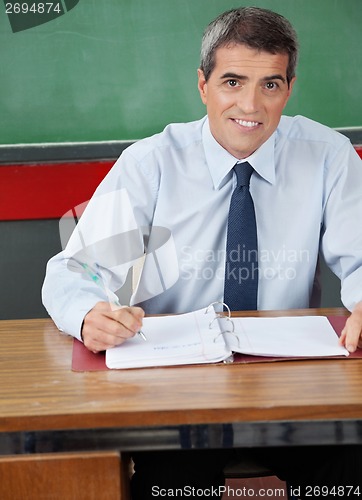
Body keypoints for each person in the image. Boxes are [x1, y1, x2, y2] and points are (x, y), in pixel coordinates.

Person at [42, 6, 362, 499]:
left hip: (290, 383)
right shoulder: (153, 162)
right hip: (176, 386)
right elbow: (75, 268)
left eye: (270, 85)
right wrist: (88, 314)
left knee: (351, 470)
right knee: (174, 486)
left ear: (289, 88)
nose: (251, 105)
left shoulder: (328, 155)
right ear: (203, 85)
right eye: (232, 82)